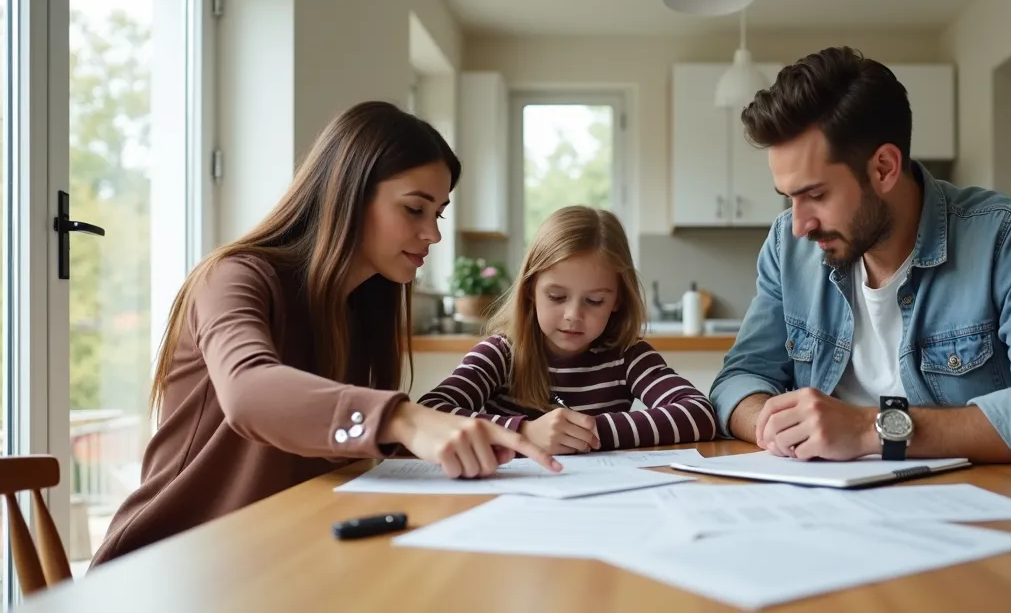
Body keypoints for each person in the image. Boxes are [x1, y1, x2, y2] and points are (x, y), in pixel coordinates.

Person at [92, 101, 558, 566]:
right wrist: (405, 419)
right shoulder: (234, 277)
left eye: (437, 213)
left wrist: (474, 438)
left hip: (280, 558)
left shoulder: (358, 307)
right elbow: (249, 391)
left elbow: (329, 444)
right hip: (170, 566)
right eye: (415, 209)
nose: (432, 235)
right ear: (349, 194)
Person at [709, 47, 1011, 472]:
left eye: (816, 195)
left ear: (884, 168)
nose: (799, 225)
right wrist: (774, 424)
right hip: (823, 510)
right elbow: (737, 381)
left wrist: (871, 430)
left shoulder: (1007, 238)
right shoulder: (787, 248)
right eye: (789, 198)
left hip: (973, 513)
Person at [417, 206, 717, 453]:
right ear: (530, 290)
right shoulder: (501, 353)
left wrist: (586, 433)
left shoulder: (628, 356)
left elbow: (700, 413)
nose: (574, 315)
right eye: (557, 297)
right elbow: (428, 413)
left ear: (616, 300)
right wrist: (526, 432)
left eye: (595, 300)